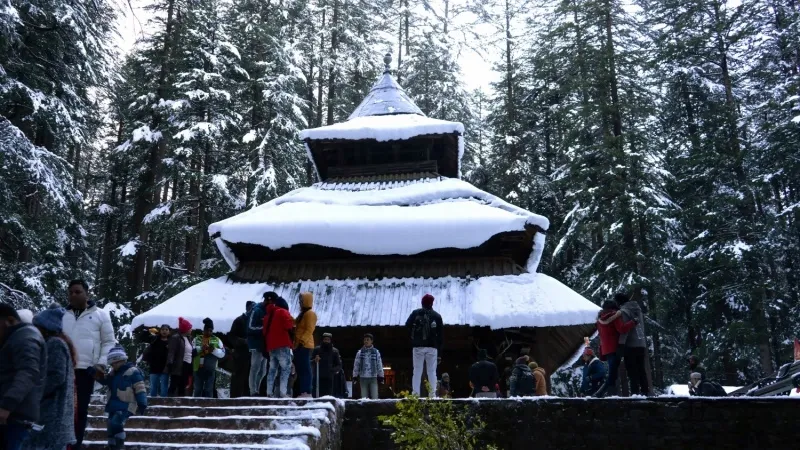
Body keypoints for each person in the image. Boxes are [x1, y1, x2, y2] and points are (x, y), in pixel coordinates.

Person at [61, 279, 116, 449]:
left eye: (77, 292)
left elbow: (109, 342)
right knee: (62, 408)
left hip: (86, 370)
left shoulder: (100, 315)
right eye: (70, 292)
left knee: (81, 409)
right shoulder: (62, 314)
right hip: (63, 369)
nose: (73, 295)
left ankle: (75, 443)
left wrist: (100, 364)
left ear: (87, 294)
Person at [22, 305, 77, 450]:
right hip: (53, 415)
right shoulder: (55, 343)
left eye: (36, 327)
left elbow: (56, 376)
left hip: (52, 414)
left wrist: (34, 394)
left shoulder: (55, 344)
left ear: (45, 327)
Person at [0, 303, 46, 450]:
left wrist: (6, 405)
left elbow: (28, 372)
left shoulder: (25, 337)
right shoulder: (14, 337)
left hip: (14, 417)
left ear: (10, 320)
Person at [91, 346, 147, 450]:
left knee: (116, 423)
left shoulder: (132, 372)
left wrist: (142, 402)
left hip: (127, 405)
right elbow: (105, 381)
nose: (113, 366)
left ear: (122, 360)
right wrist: (95, 374)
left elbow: (140, 387)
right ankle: (112, 445)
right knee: (110, 425)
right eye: (112, 364)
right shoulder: (113, 374)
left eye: (115, 363)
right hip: (113, 405)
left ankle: (120, 444)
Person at [593, 300, 637, 397]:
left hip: (606, 349)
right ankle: (599, 394)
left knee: (613, 373)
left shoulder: (599, 320)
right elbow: (622, 329)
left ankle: (610, 395)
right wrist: (633, 322)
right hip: (615, 348)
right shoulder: (615, 316)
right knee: (612, 374)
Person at [405, 294, 443, 397]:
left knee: (417, 371)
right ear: (432, 303)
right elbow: (440, 335)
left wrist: (414, 336)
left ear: (422, 303)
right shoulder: (437, 316)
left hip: (418, 345)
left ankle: (415, 394)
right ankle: (432, 394)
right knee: (432, 371)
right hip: (432, 347)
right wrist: (440, 352)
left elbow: (407, 325)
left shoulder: (415, 313)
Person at [616, 293, 649, 396]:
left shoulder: (624, 311)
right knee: (641, 369)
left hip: (630, 345)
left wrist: (620, 344)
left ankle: (635, 392)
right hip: (641, 343)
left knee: (631, 370)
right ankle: (645, 391)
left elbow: (625, 330)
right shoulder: (637, 310)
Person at [264, 296, 295, 398]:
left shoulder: (268, 315)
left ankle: (269, 392)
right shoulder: (282, 312)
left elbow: (264, 332)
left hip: (271, 346)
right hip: (282, 344)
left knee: (272, 369)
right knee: (286, 368)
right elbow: (288, 326)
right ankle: (283, 392)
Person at [248, 292, 277, 395]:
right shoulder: (256, 310)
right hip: (256, 343)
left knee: (263, 370)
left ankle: (257, 389)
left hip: (265, 344)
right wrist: (264, 328)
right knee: (255, 367)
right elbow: (250, 327)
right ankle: (252, 391)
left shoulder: (269, 311)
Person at [193, 318, 225, 397]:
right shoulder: (196, 339)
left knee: (209, 389)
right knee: (197, 389)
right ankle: (195, 406)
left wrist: (214, 350)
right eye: (207, 330)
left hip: (211, 369)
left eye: (211, 330)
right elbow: (192, 351)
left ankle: (208, 406)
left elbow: (222, 354)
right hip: (198, 368)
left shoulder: (217, 340)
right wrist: (201, 348)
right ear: (203, 330)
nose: (209, 332)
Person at [294, 292, 317, 398]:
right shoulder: (302, 314)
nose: (300, 303)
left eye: (301, 301)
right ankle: (301, 391)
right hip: (299, 344)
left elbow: (310, 329)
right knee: (300, 369)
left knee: (305, 369)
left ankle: (306, 391)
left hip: (305, 345)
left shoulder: (310, 314)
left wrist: (302, 341)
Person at [229, 301, 254, 398]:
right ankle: (234, 397)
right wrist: (243, 341)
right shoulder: (239, 320)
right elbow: (231, 336)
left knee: (249, 377)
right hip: (240, 354)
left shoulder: (254, 320)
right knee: (238, 377)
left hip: (251, 354)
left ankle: (247, 397)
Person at [353, 333, 384, 399]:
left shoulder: (376, 352)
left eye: (368, 340)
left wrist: (381, 375)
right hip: (363, 377)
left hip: (373, 377)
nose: (366, 341)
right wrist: (355, 376)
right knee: (364, 397)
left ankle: (375, 409)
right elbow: (356, 365)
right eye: (365, 340)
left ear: (371, 341)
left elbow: (379, 364)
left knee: (375, 397)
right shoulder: (360, 352)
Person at [166, 317, 193, 396]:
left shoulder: (189, 338)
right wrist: (170, 363)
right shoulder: (176, 338)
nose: (191, 330)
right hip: (178, 364)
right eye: (189, 328)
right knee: (174, 384)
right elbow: (172, 351)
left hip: (187, 364)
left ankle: (181, 404)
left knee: (183, 385)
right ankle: (168, 403)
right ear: (185, 329)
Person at [143, 324, 171, 397]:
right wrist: (147, 330)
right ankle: (152, 403)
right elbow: (145, 338)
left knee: (164, 386)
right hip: (154, 366)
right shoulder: (155, 339)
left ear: (169, 331)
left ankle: (163, 403)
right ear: (160, 331)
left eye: (166, 330)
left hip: (165, 367)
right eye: (162, 329)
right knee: (153, 386)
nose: (164, 331)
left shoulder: (171, 342)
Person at [312, 333, 342, 398]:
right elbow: (310, 361)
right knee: (317, 395)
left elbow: (339, 365)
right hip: (318, 376)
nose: (326, 341)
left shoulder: (334, 351)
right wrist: (315, 360)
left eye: (328, 340)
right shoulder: (317, 350)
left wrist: (332, 370)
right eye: (325, 339)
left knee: (328, 396)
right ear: (322, 340)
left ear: (330, 341)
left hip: (329, 377)